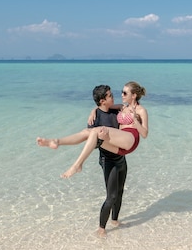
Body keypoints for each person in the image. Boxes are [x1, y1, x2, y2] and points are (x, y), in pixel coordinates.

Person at [36, 81, 149, 236]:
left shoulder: (140, 110)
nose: (120, 95)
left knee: (96, 132)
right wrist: (93, 111)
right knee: (90, 132)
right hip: (116, 152)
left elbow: (144, 134)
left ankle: (77, 165)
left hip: (130, 139)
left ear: (134, 95)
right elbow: (101, 108)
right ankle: (57, 141)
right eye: (120, 93)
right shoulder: (121, 108)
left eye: (124, 93)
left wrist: (135, 120)